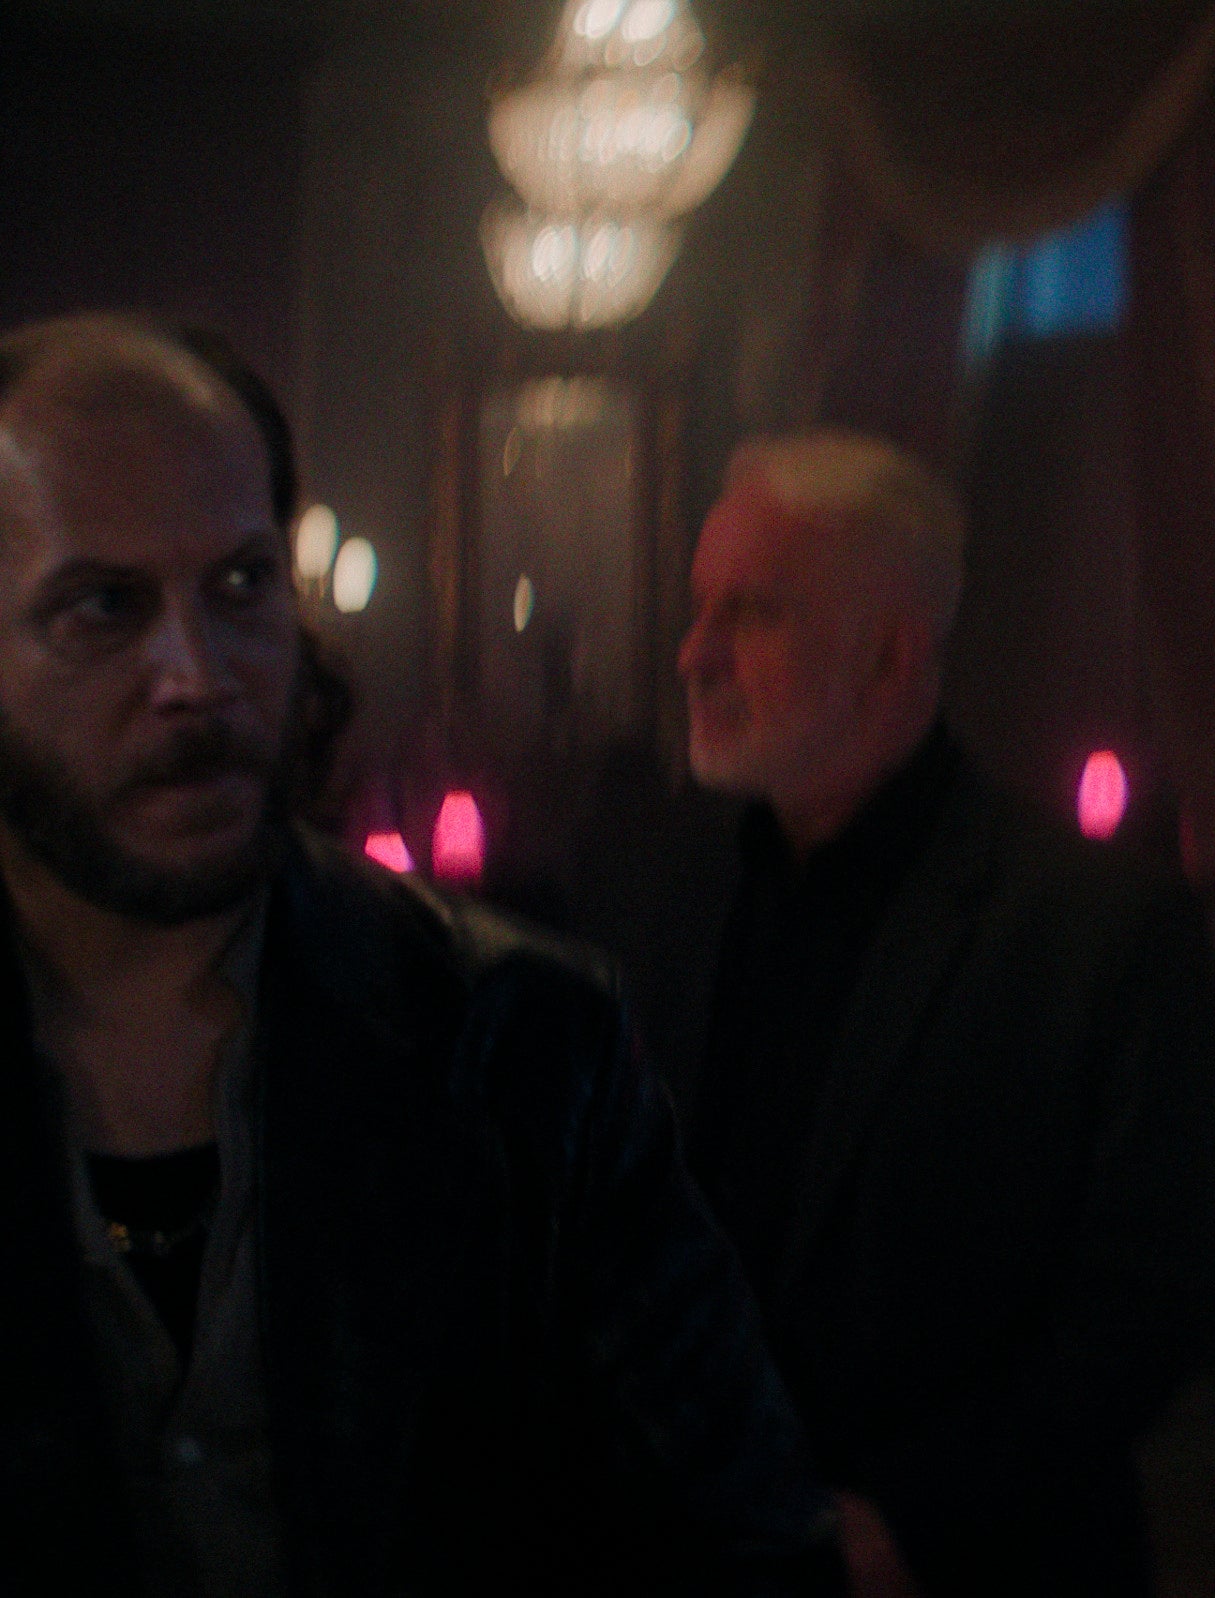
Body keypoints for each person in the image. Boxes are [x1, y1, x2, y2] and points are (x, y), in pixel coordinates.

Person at [0, 313, 836, 1593]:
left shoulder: (520, 1044)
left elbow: (749, 1538)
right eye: (103, 607)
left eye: (242, 585)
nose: (197, 676)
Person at [668, 430, 1215, 1596]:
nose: (695, 654)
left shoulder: (1092, 930)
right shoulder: (660, 893)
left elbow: (1146, 1301)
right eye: (699, 608)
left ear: (890, 657)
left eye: (753, 613)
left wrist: (910, 1520)